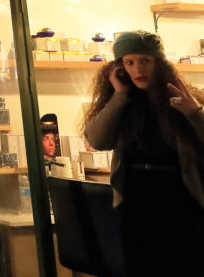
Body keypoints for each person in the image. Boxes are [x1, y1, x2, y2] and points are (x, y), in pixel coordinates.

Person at [83, 30, 204, 275]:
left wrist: (194, 113)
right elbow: (97, 139)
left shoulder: (181, 98)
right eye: (129, 62)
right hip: (136, 202)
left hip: (180, 200)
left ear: (158, 63)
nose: (137, 69)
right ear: (120, 68)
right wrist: (119, 96)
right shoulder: (123, 103)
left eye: (144, 61)